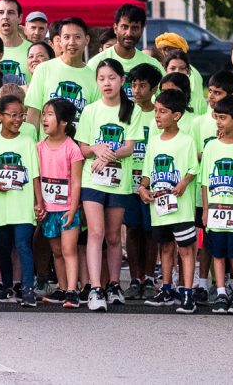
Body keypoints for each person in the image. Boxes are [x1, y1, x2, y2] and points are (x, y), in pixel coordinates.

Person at [75, 58, 142, 310]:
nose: (107, 83)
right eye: (102, 78)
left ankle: (114, 284)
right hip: (92, 181)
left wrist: (106, 154)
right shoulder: (90, 111)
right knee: (95, 232)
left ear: (122, 80)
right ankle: (95, 288)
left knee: (114, 236)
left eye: (112, 78)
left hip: (118, 182)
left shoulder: (131, 110)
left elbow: (130, 147)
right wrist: (95, 149)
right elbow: (82, 147)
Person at [139, 89, 199, 314]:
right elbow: (147, 172)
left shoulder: (187, 141)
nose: (157, 116)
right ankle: (166, 289)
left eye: (162, 112)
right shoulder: (153, 142)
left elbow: (193, 167)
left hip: (180, 208)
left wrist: (184, 182)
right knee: (164, 247)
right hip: (159, 207)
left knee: (185, 250)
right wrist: (142, 188)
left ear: (177, 115)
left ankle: (187, 293)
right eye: (156, 111)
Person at [0, 94, 42, 306]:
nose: (18, 120)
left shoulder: (28, 142)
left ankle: (27, 289)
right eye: (13, 115)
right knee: (4, 248)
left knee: (24, 245)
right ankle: (6, 287)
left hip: (23, 206)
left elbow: (34, 175)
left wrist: (38, 201)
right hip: (1, 207)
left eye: (21, 115)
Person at [200, 95, 233, 315]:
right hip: (215, 211)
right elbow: (205, 181)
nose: (219, 122)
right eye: (217, 117)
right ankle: (221, 291)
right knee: (217, 253)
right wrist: (205, 209)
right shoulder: (211, 147)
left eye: (223, 118)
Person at [36, 98, 84, 308]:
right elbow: (37, 178)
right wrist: (39, 203)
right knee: (56, 251)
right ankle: (63, 288)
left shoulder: (72, 148)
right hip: (48, 208)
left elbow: (75, 181)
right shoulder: (39, 147)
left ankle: (73, 290)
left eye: (50, 114)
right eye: (43, 114)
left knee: (68, 249)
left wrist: (73, 209)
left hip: (67, 209)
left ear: (63, 122)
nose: (44, 119)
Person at [123, 63, 163, 300]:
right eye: (134, 85)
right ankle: (135, 278)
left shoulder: (157, 115)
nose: (137, 90)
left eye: (143, 86)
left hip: (151, 182)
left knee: (150, 231)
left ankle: (149, 277)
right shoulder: (125, 112)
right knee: (132, 228)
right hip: (128, 180)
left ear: (154, 88)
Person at [25, 17, 94, 132]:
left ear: (86, 40)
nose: (71, 42)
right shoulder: (43, 69)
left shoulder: (94, 76)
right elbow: (34, 113)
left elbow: (94, 119)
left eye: (77, 37)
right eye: (66, 37)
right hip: (46, 147)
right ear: (60, 41)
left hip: (79, 148)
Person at [86, 5, 164, 101]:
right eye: (124, 27)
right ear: (115, 28)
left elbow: (166, 100)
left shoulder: (153, 65)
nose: (129, 33)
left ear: (142, 30)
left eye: (135, 28)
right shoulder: (96, 63)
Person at [156, 33, 207, 116]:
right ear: (166, 69)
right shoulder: (157, 98)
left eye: (168, 49)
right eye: (163, 49)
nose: (164, 53)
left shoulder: (198, 100)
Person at [0, 0, 32, 83]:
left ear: (20, 18)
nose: (5, 17)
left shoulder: (33, 51)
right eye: (1, 12)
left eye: (10, 12)